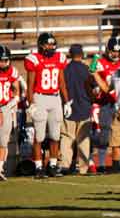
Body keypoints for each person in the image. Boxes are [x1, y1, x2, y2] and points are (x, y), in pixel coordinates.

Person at [25, 33, 70, 179]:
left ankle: (52, 165)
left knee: (55, 135)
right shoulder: (34, 59)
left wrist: (67, 101)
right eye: (47, 44)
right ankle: (38, 167)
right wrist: (31, 103)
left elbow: (62, 82)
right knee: (39, 135)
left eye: (52, 44)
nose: (50, 47)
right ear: (40, 45)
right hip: (40, 98)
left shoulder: (59, 58)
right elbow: (30, 85)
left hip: (55, 98)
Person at [89, 37, 120, 174]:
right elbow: (91, 79)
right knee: (104, 135)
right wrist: (95, 86)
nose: (116, 54)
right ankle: (102, 164)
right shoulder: (100, 62)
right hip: (105, 103)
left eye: (118, 51)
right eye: (113, 51)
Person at [58, 44, 92, 175]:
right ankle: (83, 168)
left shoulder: (65, 69)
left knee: (67, 137)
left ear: (70, 54)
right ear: (81, 54)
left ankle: (65, 165)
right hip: (84, 107)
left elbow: (61, 87)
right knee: (83, 139)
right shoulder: (86, 69)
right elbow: (92, 88)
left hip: (69, 107)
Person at [0, 45, 20, 181]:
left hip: (5, 107)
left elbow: (16, 88)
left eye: (6, 60)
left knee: (3, 141)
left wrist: (14, 100)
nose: (4, 63)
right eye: (1, 60)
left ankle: (0, 168)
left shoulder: (12, 71)